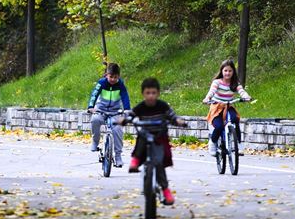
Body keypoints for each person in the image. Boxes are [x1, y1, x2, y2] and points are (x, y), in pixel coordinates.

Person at [125, 77, 187, 206]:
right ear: (143, 94)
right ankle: (135, 161)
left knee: (159, 164)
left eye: (153, 93)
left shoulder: (162, 106)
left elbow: (172, 116)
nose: (151, 96)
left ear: (158, 93)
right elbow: (131, 115)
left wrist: (179, 121)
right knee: (141, 139)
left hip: (159, 137)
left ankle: (165, 190)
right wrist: (123, 120)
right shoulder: (140, 107)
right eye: (148, 93)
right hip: (145, 135)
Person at [202, 59, 251, 156]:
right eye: (225, 70)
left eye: (230, 71)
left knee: (235, 119)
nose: (227, 73)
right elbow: (211, 92)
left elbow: (241, 91)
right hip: (217, 107)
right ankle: (213, 143)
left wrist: (246, 97)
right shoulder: (217, 82)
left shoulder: (235, 83)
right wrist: (207, 98)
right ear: (222, 71)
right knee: (219, 126)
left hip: (229, 106)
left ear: (233, 72)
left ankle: (239, 144)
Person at [86, 62, 131, 167]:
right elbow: (94, 94)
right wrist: (91, 107)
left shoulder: (120, 84)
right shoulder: (101, 83)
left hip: (115, 112)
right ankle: (95, 141)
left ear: (118, 77)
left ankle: (118, 156)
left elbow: (125, 96)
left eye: (115, 77)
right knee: (95, 120)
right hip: (101, 110)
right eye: (111, 77)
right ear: (106, 75)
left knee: (118, 129)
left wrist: (127, 109)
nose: (113, 79)